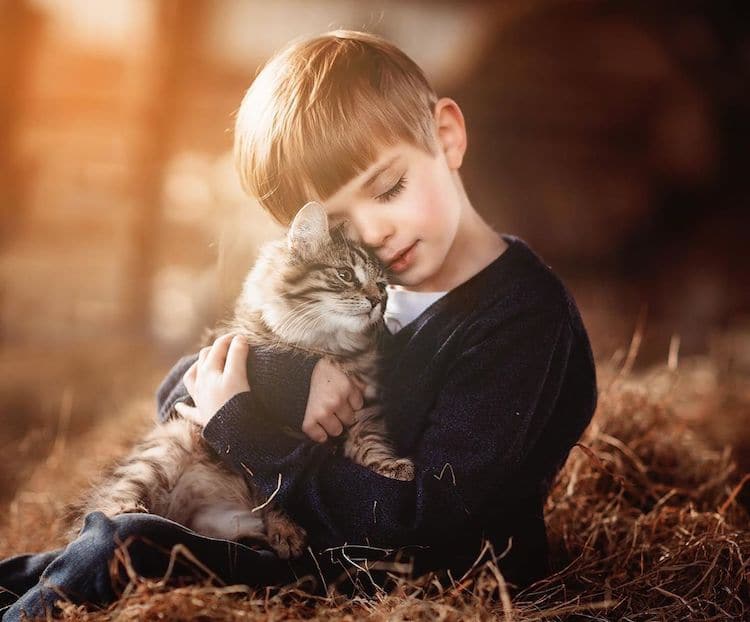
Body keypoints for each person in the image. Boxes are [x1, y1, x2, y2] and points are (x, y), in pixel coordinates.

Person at [0, 29, 597, 621]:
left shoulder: (523, 321)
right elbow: (179, 397)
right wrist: (291, 377)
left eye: (388, 188)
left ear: (446, 136)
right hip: (302, 535)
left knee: (120, 549)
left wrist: (248, 431)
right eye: (340, 225)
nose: (373, 235)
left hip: (390, 576)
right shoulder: (373, 293)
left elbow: (422, 524)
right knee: (42, 565)